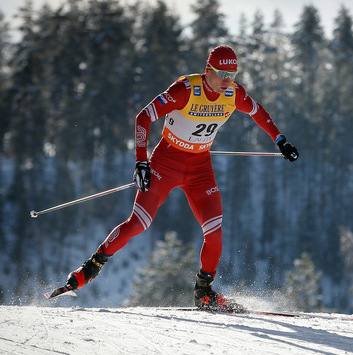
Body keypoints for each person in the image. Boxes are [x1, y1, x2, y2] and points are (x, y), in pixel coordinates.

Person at [58, 45, 299, 310]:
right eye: (221, 73)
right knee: (139, 223)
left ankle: (204, 292)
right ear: (208, 70)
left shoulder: (233, 92)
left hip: (200, 168)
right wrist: (141, 161)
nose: (227, 80)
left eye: (232, 73)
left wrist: (280, 140)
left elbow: (258, 112)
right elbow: (143, 117)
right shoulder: (185, 89)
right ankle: (90, 267)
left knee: (215, 231)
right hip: (165, 162)